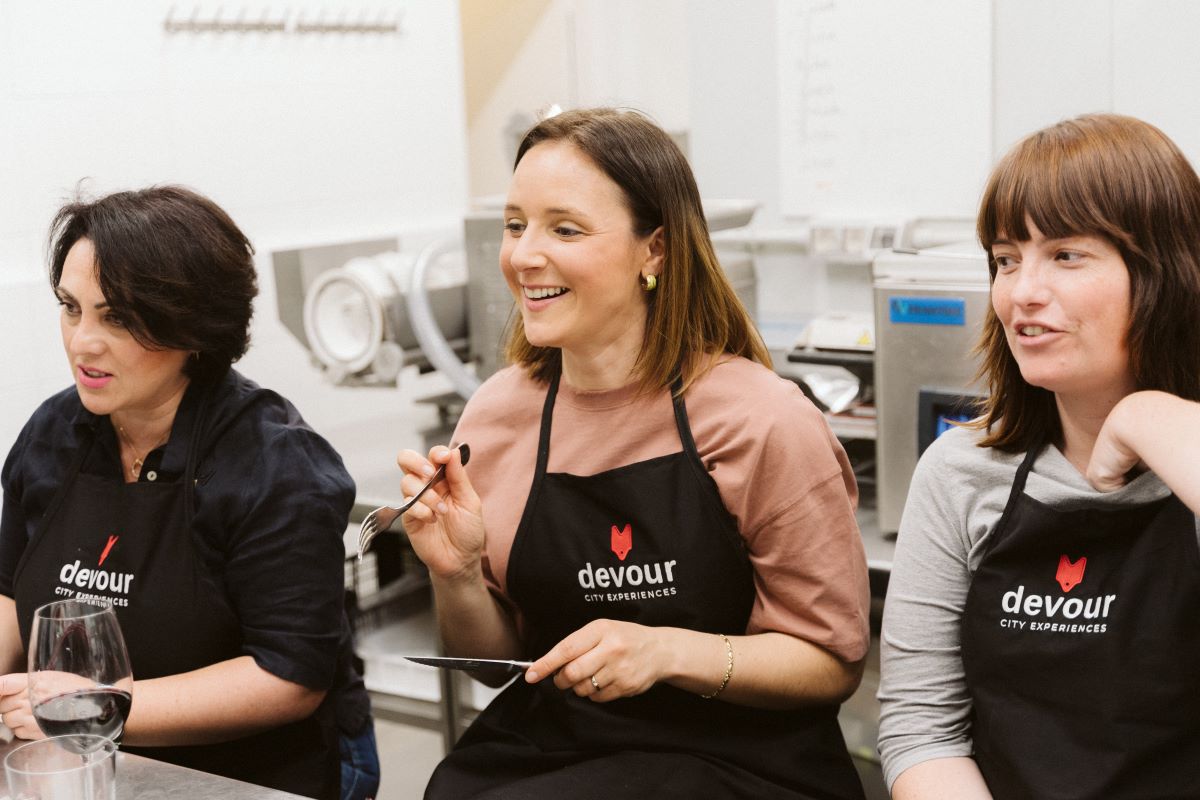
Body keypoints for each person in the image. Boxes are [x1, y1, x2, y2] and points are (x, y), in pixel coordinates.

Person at [395, 107, 871, 799]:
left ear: (656, 250)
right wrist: (458, 574)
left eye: (565, 228)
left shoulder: (762, 420)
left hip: (741, 761)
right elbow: (498, 667)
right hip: (554, 750)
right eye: (515, 224)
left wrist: (669, 652)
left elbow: (831, 664)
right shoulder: (498, 414)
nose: (525, 254)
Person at [0, 186, 379, 800]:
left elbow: (288, 677)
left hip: (252, 775)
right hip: (87, 763)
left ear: (195, 328)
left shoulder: (276, 464)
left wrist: (97, 709)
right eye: (72, 308)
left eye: (117, 317)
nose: (81, 342)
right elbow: (9, 590)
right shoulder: (53, 434)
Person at [878, 113, 1200, 799]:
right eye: (1005, 259)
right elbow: (922, 728)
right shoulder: (959, 470)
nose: (1021, 292)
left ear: (1166, 273)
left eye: (1066, 254)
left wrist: (1144, 418)